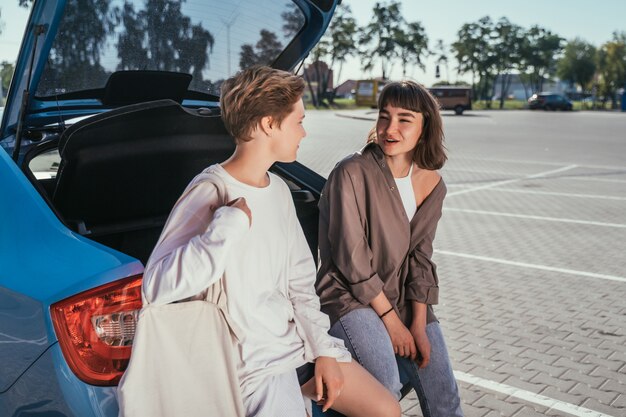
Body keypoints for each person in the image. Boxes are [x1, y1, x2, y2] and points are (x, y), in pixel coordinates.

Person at [142, 66, 400, 417]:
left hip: (295, 347)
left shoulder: (278, 189)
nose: (304, 132)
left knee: (385, 409)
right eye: (298, 121)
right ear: (268, 124)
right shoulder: (209, 191)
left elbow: (299, 284)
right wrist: (227, 226)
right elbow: (157, 287)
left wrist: (322, 349)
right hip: (247, 365)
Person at [316, 80, 464, 417]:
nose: (390, 128)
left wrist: (417, 323)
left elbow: (420, 258)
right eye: (385, 117)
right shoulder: (351, 172)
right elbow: (351, 260)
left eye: (404, 119)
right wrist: (392, 323)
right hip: (349, 298)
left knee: (444, 396)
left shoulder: (432, 183)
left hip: (401, 299)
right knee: (385, 387)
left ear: (425, 127)